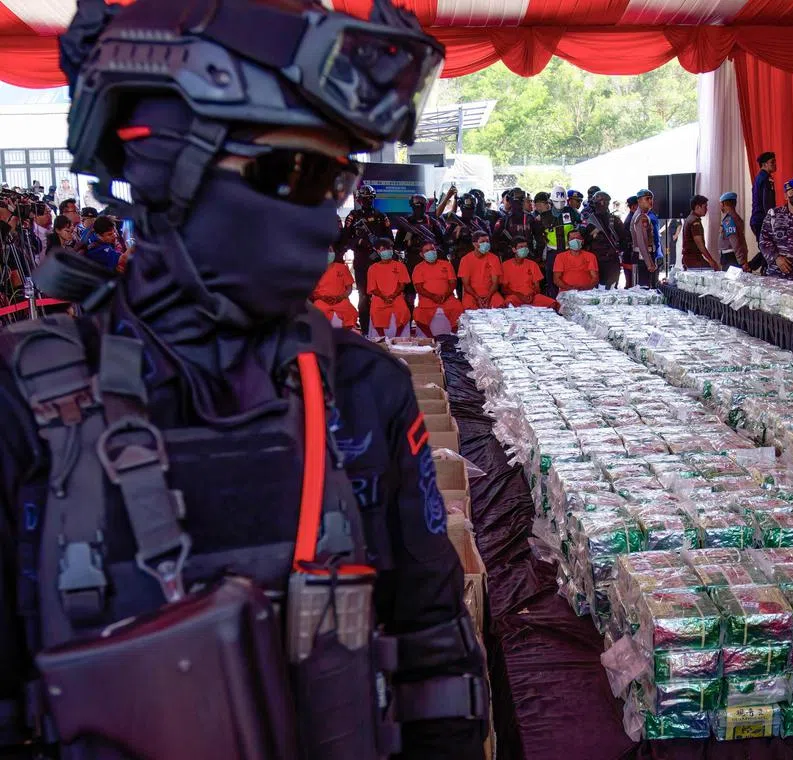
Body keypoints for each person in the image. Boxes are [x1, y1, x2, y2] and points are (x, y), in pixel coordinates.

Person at [0, 2, 488, 759]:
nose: (323, 220)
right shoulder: (20, 405)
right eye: (293, 172)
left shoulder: (365, 390)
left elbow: (436, 665)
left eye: (336, 182)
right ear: (168, 166)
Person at [337, 185, 392, 333]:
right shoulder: (353, 216)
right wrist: (360, 242)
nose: (367, 201)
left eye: (370, 198)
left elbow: (390, 238)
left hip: (379, 261)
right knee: (363, 296)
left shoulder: (381, 216)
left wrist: (380, 243)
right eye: (364, 199)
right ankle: (366, 328)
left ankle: (382, 328)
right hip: (362, 261)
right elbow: (345, 240)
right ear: (359, 200)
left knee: (382, 294)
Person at [412, 240, 464, 336]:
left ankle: (453, 335)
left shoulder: (446, 264)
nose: (430, 252)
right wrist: (433, 297)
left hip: (447, 298)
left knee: (458, 308)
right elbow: (419, 288)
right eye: (427, 251)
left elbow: (453, 282)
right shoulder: (418, 268)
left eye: (432, 249)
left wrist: (446, 295)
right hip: (428, 299)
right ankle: (431, 338)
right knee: (418, 314)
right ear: (421, 254)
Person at [536, 186, 580, 297]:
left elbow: (581, 226)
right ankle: (554, 302)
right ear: (551, 201)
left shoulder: (572, 213)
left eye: (562, 201)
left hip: (569, 251)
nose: (559, 204)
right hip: (552, 253)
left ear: (566, 201)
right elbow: (539, 238)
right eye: (556, 201)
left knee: (570, 280)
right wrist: (540, 256)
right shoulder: (543, 217)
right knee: (552, 281)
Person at [580, 190, 628, 288]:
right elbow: (583, 241)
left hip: (612, 259)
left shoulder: (614, 220)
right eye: (601, 202)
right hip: (595, 260)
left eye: (605, 202)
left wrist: (618, 249)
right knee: (595, 289)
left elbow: (624, 238)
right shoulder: (589, 221)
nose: (603, 205)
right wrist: (592, 235)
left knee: (612, 289)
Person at [366, 237, 413, 336]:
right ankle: (382, 338)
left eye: (389, 248)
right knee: (375, 313)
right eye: (383, 249)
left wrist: (393, 295)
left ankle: (398, 337)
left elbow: (402, 285)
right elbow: (372, 288)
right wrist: (384, 297)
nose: (387, 251)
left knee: (404, 312)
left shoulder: (400, 266)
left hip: (396, 297)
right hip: (379, 298)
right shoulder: (372, 268)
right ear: (377, 251)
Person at [501, 236, 558, 308]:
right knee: (508, 304)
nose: (524, 249)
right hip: (514, 297)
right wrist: (519, 295)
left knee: (554, 304)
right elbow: (504, 289)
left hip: (532, 297)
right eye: (521, 247)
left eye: (525, 246)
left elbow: (537, 288)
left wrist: (531, 295)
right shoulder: (505, 265)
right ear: (514, 249)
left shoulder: (533, 264)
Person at [311, 248, 358, 329]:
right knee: (315, 314)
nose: (329, 253)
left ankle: (345, 334)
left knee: (352, 313)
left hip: (340, 300)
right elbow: (311, 292)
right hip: (321, 301)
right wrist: (322, 298)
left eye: (331, 250)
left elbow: (349, 289)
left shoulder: (342, 267)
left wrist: (341, 297)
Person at [491, 187, 544, 261]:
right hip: (510, 258)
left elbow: (540, 239)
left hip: (528, 256)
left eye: (521, 200)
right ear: (510, 201)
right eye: (516, 200)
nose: (518, 203)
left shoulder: (530, 219)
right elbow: (495, 241)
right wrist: (506, 251)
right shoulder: (504, 220)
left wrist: (537, 255)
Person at [458, 231, 505, 309]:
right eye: (482, 241)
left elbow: (495, 283)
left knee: (500, 305)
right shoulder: (465, 260)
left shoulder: (494, 258)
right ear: (474, 244)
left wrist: (488, 297)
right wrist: (477, 298)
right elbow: (466, 285)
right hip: (472, 295)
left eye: (487, 241)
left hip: (491, 293)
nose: (486, 244)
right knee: (469, 308)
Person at [629, 189, 660, 286]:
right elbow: (642, 242)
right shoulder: (641, 217)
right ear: (639, 201)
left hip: (642, 256)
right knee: (644, 288)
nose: (650, 201)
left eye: (651, 198)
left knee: (645, 286)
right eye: (647, 198)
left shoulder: (641, 215)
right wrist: (649, 263)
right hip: (642, 257)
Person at [681, 195, 718, 270]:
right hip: (694, 259)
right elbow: (700, 244)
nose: (706, 209)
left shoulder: (689, 218)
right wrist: (711, 260)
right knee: (711, 271)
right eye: (705, 207)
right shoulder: (695, 221)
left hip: (689, 258)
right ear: (698, 207)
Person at [751, 151, 777, 245]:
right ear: (764, 164)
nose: (775, 164)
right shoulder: (766, 178)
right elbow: (767, 202)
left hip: (758, 218)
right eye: (772, 162)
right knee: (767, 249)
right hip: (762, 219)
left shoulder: (760, 177)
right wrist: (771, 219)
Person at [718, 192, 750, 270]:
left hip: (730, 257)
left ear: (723, 204)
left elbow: (734, 241)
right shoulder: (737, 217)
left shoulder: (729, 219)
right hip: (735, 256)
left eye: (720, 204)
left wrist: (742, 261)